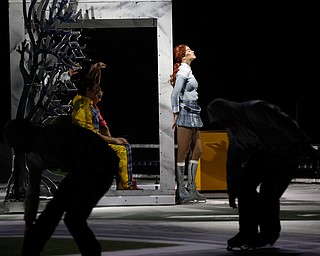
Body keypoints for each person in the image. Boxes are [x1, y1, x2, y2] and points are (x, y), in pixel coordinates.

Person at [207, 98, 316, 251]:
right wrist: (232, 189)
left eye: (222, 120)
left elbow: (287, 124)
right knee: (244, 186)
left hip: (288, 152)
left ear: (229, 112)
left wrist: (304, 144)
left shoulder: (256, 109)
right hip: (264, 152)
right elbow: (233, 161)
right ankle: (246, 232)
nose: (222, 125)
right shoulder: (234, 130)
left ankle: (268, 233)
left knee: (269, 192)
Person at [3, 118, 119, 256]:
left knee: (73, 218)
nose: (18, 149)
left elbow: (86, 150)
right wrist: (29, 222)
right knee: (51, 215)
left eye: (17, 144)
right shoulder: (32, 155)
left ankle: (92, 252)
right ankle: (30, 251)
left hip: (102, 164)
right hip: (81, 169)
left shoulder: (54, 135)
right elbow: (33, 190)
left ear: (24, 137)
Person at [72, 62, 140, 190]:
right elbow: (91, 136)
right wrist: (113, 140)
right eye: (96, 90)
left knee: (124, 145)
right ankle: (125, 184)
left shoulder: (89, 102)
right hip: (88, 144)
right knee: (122, 149)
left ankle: (126, 182)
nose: (98, 90)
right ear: (88, 91)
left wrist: (96, 70)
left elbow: (91, 83)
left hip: (95, 141)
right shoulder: (81, 106)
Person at [169, 44, 206, 203]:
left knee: (197, 150)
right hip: (185, 111)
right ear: (183, 57)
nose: (192, 51)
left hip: (194, 112)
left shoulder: (187, 70)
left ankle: (192, 187)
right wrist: (176, 112)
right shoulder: (184, 70)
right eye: (189, 50)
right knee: (182, 154)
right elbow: (174, 94)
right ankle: (181, 191)